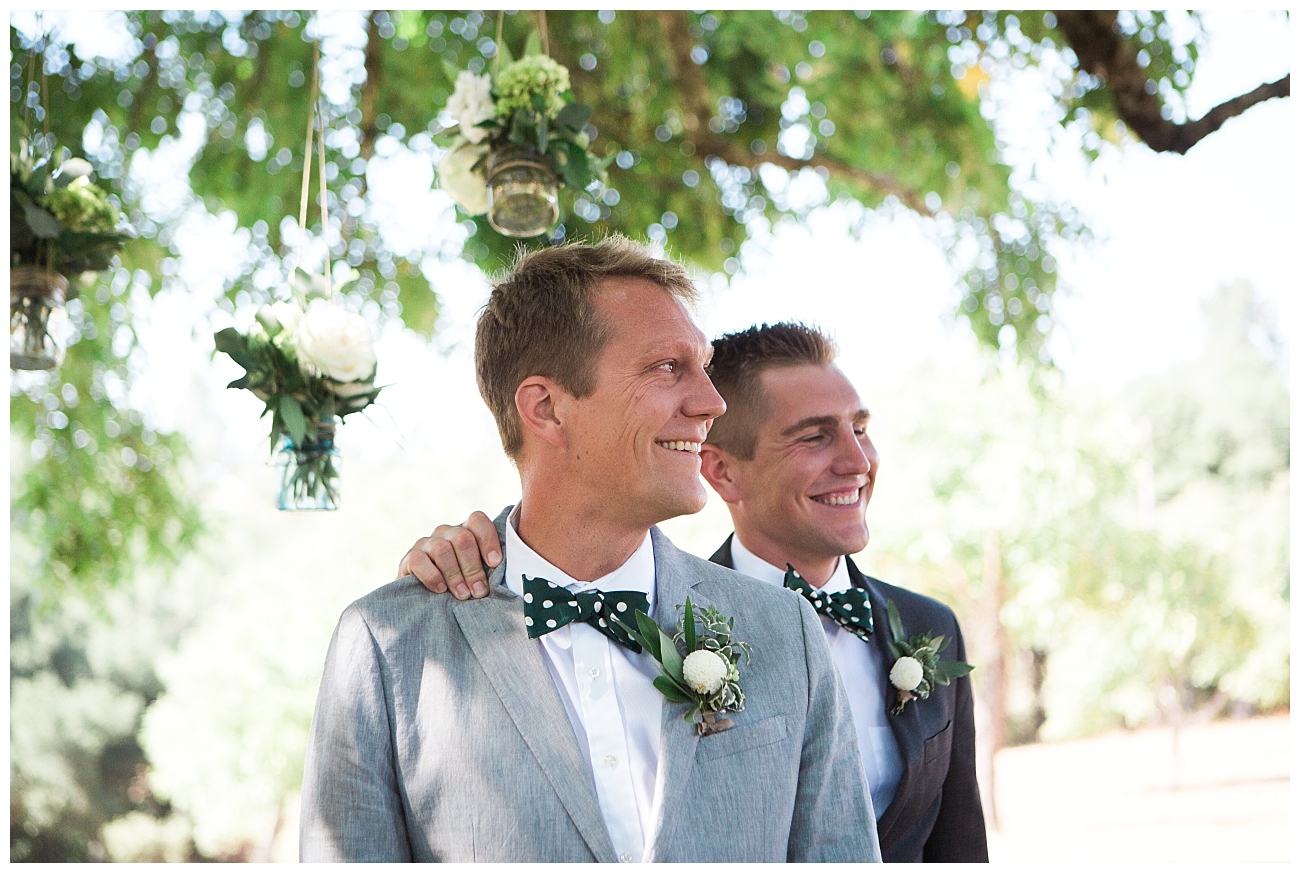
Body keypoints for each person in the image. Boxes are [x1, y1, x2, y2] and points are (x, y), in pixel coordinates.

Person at [300, 239, 881, 862]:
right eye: (667, 367)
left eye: (705, 367)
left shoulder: (785, 631)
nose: (712, 402)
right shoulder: (389, 644)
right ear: (546, 409)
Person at [399, 322, 988, 862]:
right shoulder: (646, 615)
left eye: (860, 430)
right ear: (721, 470)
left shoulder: (929, 625)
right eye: (814, 438)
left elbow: (958, 844)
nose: (857, 461)